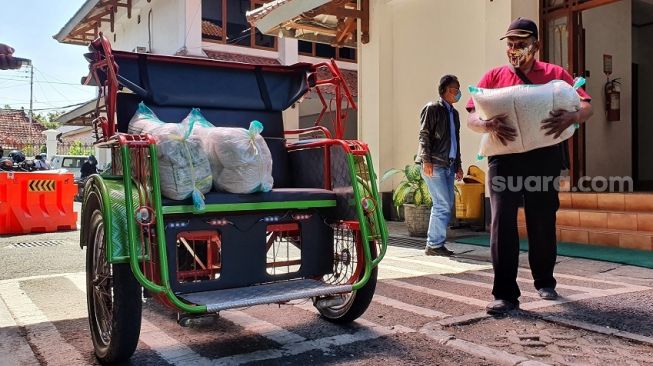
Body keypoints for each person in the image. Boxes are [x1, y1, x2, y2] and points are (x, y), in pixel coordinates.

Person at [466, 17, 593, 315]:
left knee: (542, 218)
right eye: (510, 44)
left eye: (521, 44)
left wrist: (572, 118)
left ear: (536, 45)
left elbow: (586, 105)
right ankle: (505, 294)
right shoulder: (493, 76)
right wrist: (486, 124)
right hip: (503, 158)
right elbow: (471, 115)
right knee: (502, 221)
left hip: (543, 157)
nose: (515, 49)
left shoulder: (555, 74)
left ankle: (544, 280)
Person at [416, 74, 464, 257]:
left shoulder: (455, 114)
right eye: (454, 90)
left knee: (446, 204)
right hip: (434, 163)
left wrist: (458, 165)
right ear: (444, 90)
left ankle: (436, 244)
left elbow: (455, 141)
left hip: (449, 165)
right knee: (442, 204)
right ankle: (434, 244)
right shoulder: (432, 108)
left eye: (459, 89)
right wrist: (426, 159)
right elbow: (424, 135)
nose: (458, 93)